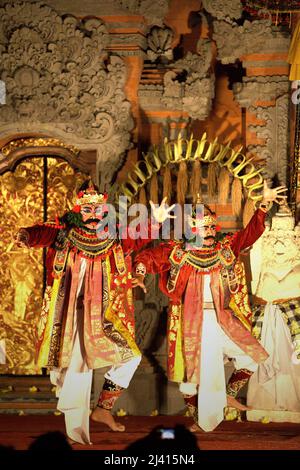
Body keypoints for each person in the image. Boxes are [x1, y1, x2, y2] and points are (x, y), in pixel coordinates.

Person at [15, 181, 174, 444]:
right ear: (78, 209)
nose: (93, 214)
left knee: (131, 356)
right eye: (87, 209)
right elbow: (42, 232)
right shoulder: (65, 232)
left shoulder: (113, 235)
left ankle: (102, 408)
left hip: (102, 316)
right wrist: (27, 236)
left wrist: (154, 223)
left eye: (98, 209)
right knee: (75, 370)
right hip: (69, 317)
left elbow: (135, 237)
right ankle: (75, 431)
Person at [133, 181, 287, 432]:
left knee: (251, 358)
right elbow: (146, 258)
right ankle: (202, 422)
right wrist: (140, 274)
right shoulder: (178, 252)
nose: (209, 231)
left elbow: (249, 234)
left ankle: (225, 397)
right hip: (191, 321)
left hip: (222, 319)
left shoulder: (224, 249)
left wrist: (263, 206)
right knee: (192, 378)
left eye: (211, 227)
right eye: (203, 227)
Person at [247, 202, 300, 421]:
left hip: (293, 323)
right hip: (266, 318)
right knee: (263, 361)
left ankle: (292, 404)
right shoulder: (264, 260)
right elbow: (254, 274)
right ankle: (261, 403)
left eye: (285, 237)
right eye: (274, 235)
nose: (279, 241)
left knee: (291, 364)